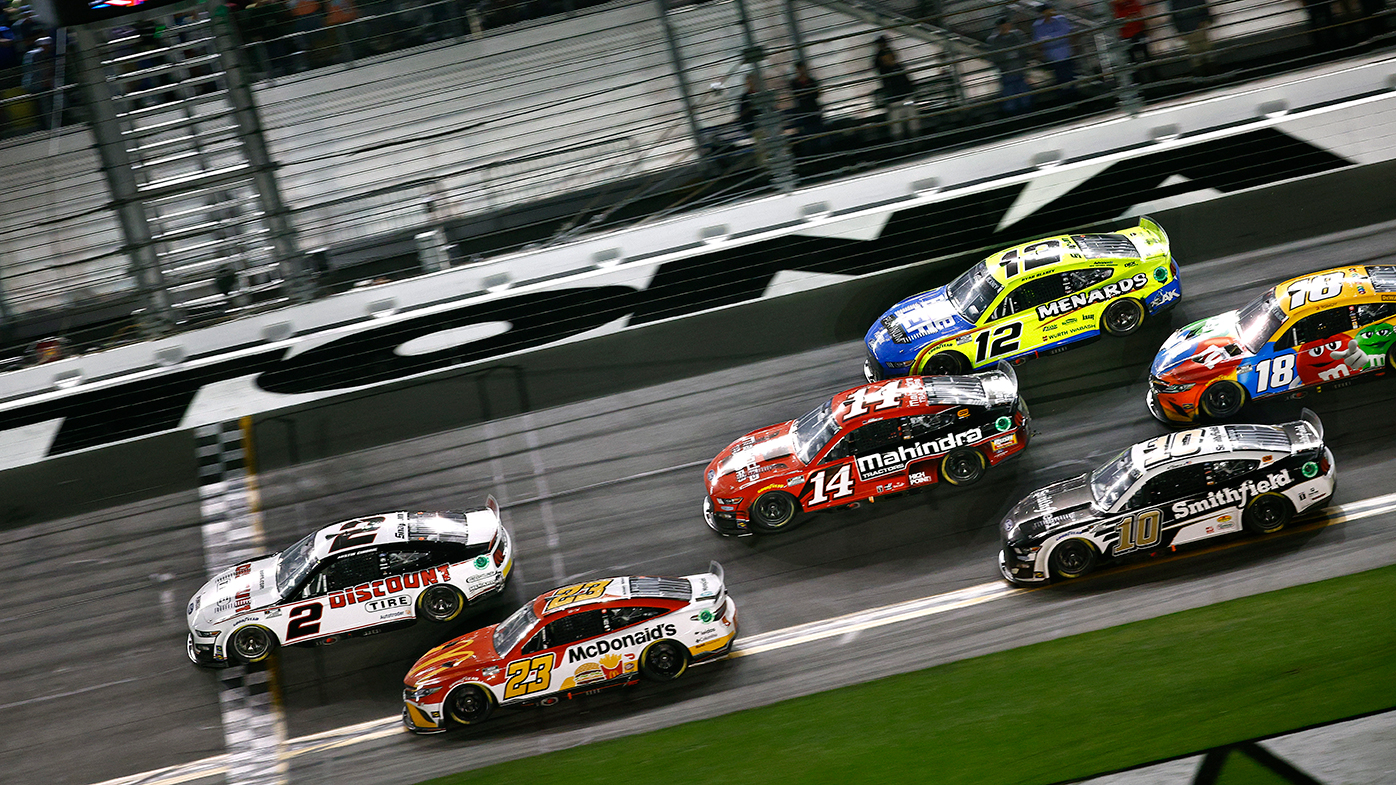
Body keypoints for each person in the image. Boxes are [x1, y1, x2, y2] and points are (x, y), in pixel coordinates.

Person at [873, 35, 919, 140]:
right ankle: (908, 142)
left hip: (899, 98)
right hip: (899, 98)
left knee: (906, 123)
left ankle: (910, 142)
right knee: (901, 124)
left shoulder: (892, 68)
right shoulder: (887, 69)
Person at [986, 16, 1031, 115]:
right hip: (1007, 72)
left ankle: (1025, 113)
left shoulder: (1017, 35)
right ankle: (1014, 114)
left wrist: (1024, 64)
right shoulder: (994, 40)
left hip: (1019, 70)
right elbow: (994, 56)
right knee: (1010, 96)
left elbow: (1024, 50)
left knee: (1023, 94)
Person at [1032, 4, 1076, 100]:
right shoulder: (1038, 25)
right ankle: (1065, 99)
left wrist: (1050, 38)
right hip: (1053, 56)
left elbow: (1066, 33)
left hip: (1066, 53)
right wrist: (1054, 38)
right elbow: (1039, 41)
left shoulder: (1061, 20)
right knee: (1061, 78)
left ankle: (1073, 97)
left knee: (1070, 76)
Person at [1169, 0, 1213, 75]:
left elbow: (1174, 15)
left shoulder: (1174, 2)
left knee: (1195, 52)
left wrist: (1179, 29)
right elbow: (1203, 6)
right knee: (1205, 49)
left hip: (1187, 28)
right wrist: (1205, 19)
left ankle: (1201, 74)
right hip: (1198, 25)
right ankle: (1211, 71)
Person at [1112, 0, 1150, 80]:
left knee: (1135, 60)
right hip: (1132, 34)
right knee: (1142, 58)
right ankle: (1148, 79)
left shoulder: (1116, 7)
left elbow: (1121, 21)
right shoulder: (1120, 5)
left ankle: (1140, 81)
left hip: (1130, 35)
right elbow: (1138, 15)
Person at [20, 33, 52, 129]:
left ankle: (44, 125)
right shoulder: (39, 54)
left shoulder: (31, 53)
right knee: (44, 104)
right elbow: (42, 69)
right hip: (38, 83)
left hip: (31, 83)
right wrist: (45, 80)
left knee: (40, 105)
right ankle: (48, 125)